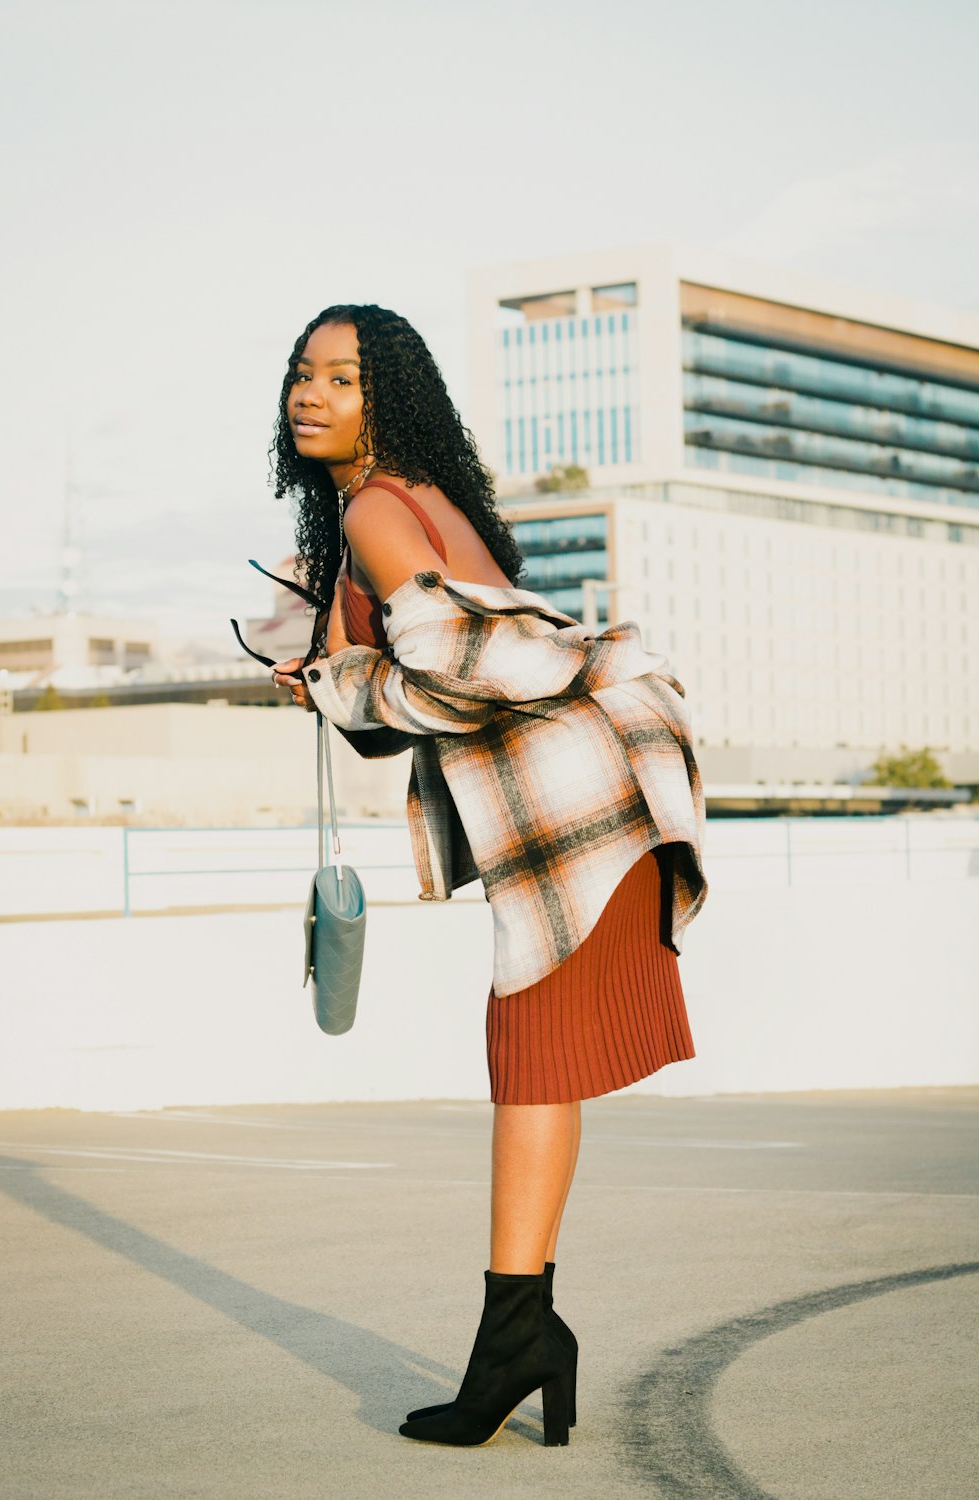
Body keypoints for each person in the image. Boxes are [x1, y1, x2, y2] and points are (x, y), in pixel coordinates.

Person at [261, 303, 708, 1448]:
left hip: (579, 812)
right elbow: (443, 665)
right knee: (535, 1064)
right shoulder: (412, 499)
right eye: (302, 374)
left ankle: (517, 1340)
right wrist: (331, 670)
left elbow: (467, 668)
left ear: (387, 398)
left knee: (530, 1064)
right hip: (591, 802)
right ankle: (521, 1337)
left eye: (342, 379)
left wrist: (340, 686)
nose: (312, 394)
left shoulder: (374, 506)